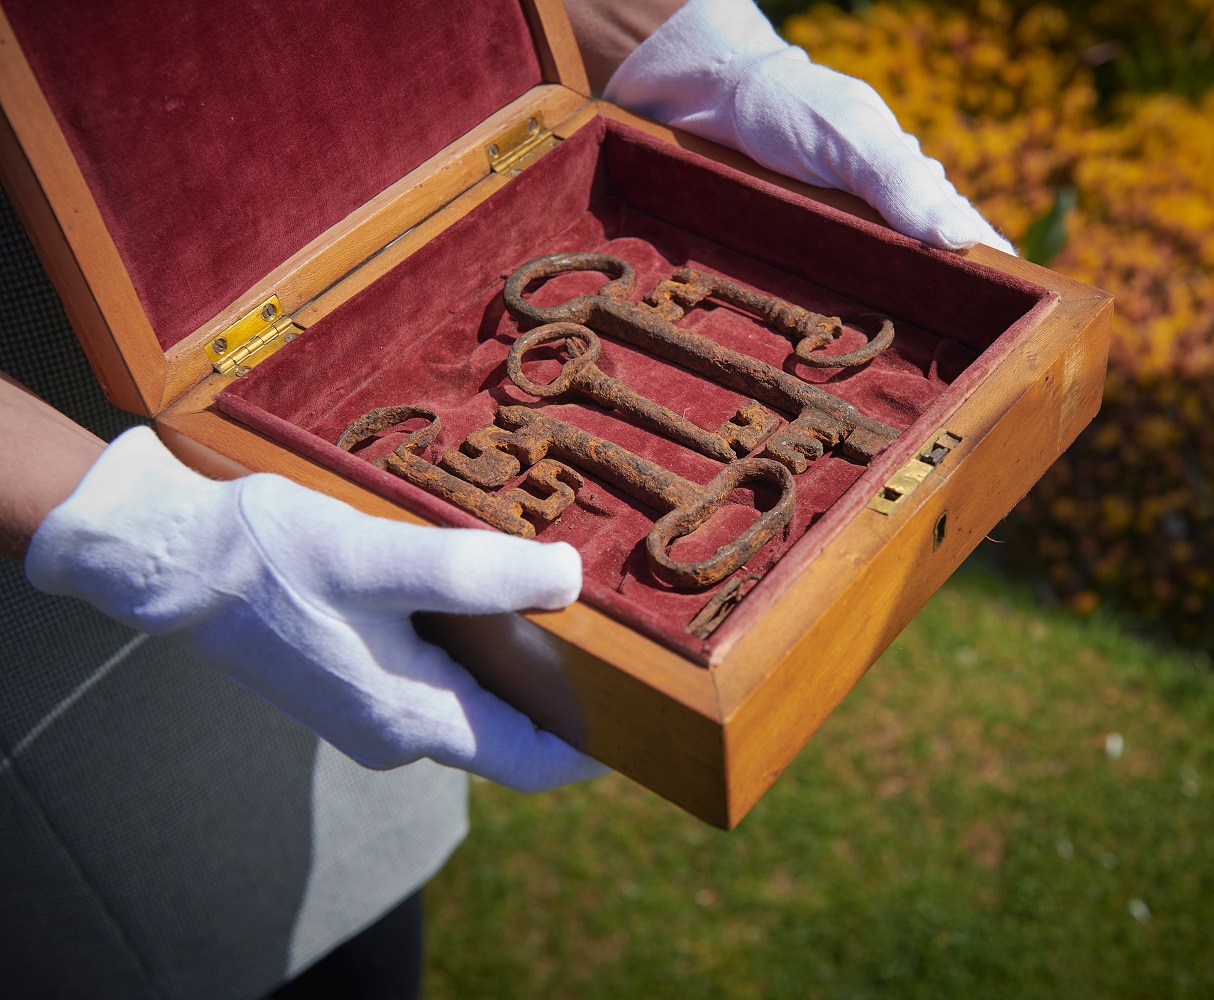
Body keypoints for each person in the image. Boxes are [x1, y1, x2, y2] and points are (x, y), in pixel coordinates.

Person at [0, 1, 1014, 997]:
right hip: (67, 593)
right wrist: (149, 536)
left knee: (364, 915)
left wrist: (695, 49)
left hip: (344, 574)